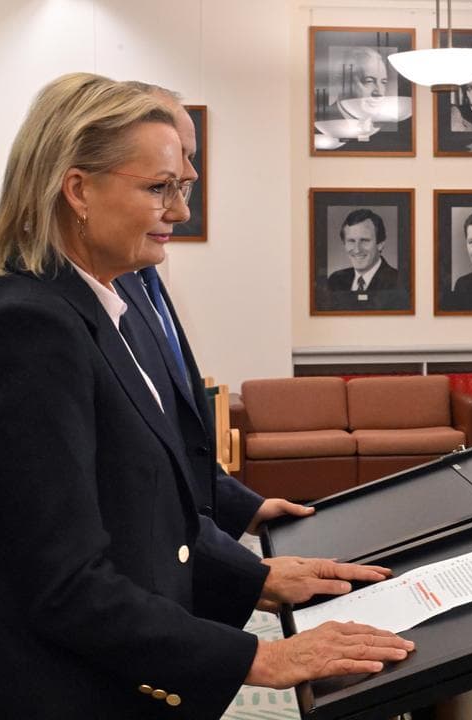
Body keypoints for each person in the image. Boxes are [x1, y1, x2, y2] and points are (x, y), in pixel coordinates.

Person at [0, 74, 413, 717]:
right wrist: (260, 657)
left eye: (181, 188)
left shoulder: (102, 303)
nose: (182, 212)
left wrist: (257, 578)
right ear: (77, 189)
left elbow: (148, 509)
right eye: (159, 188)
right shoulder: (28, 330)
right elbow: (65, 585)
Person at [115, 83, 315, 543]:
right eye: (164, 178)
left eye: (188, 159)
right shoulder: (53, 316)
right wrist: (250, 580)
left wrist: (245, 506)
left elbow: (175, 437)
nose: (189, 180)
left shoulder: (130, 275)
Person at [325, 208, 399, 292]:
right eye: (351, 241)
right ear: (344, 244)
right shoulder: (335, 281)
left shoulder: (398, 282)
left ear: (380, 245)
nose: (357, 250)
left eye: (364, 240)